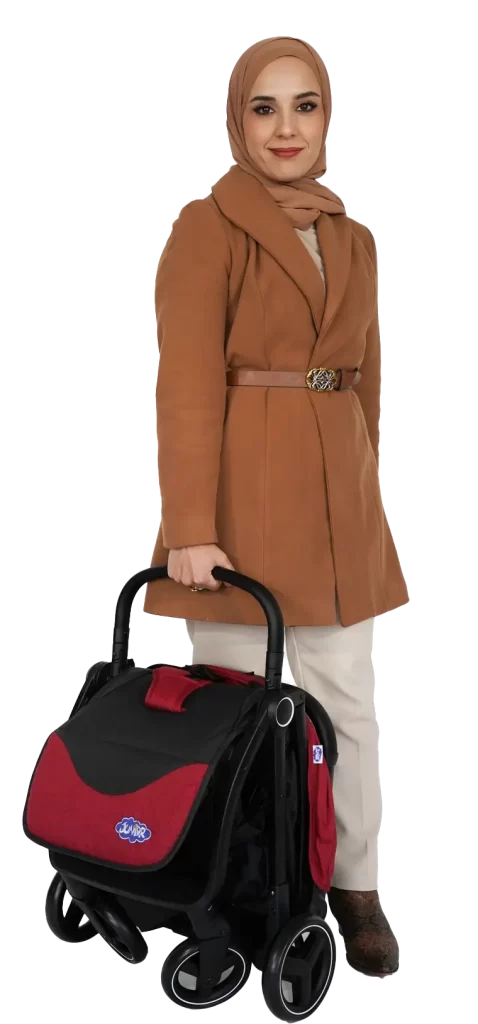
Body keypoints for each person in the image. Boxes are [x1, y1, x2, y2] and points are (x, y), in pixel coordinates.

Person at [142, 35, 410, 979]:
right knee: (229, 716)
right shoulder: (206, 226)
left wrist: (366, 496)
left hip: (339, 508)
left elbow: (366, 382)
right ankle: (224, 884)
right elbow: (184, 385)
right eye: (265, 107)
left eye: (305, 105)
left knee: (350, 708)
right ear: (237, 120)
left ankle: (355, 885)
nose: (285, 127)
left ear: (328, 118)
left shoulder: (354, 238)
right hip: (238, 509)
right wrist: (190, 528)